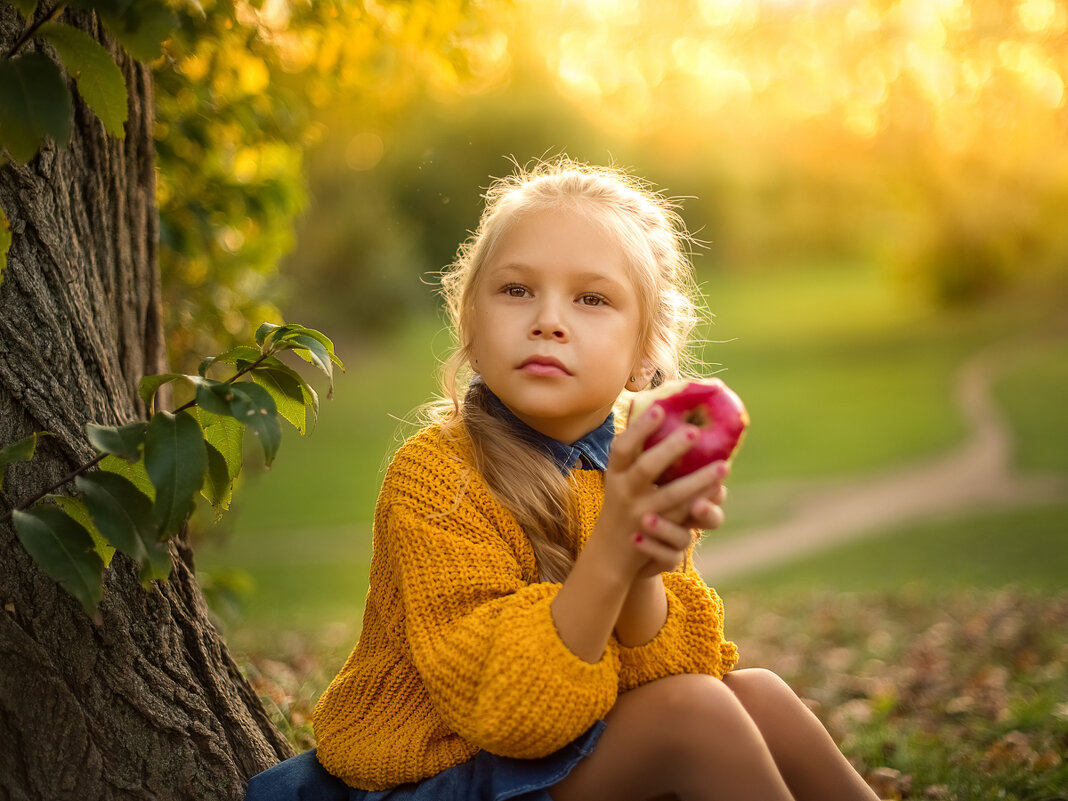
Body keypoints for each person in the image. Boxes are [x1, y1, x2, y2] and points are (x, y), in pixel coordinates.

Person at [245, 159, 879, 801]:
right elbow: (510, 715)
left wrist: (644, 565)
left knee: (757, 693)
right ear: (469, 323)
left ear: (644, 355)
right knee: (695, 715)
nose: (548, 320)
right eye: (516, 290)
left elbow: (671, 666)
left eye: (591, 299)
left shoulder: (632, 466)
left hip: (557, 750)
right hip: (438, 773)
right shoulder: (437, 476)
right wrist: (612, 549)